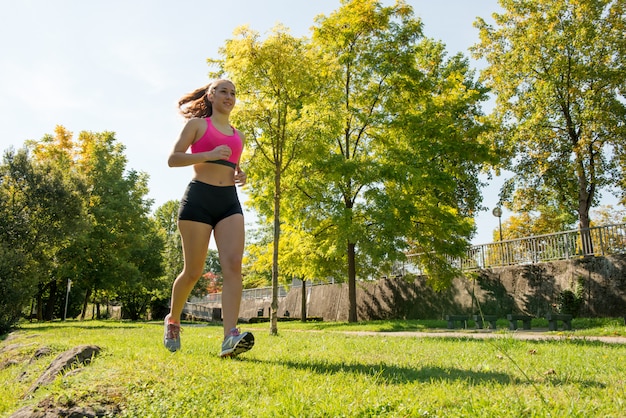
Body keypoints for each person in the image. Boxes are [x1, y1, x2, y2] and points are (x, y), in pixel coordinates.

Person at [163, 79, 254, 357]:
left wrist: (240, 174)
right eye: (223, 91)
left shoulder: (239, 136)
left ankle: (230, 336)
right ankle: (173, 320)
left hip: (228, 203)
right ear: (211, 95)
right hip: (199, 200)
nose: (229, 96)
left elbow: (232, 166)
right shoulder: (197, 126)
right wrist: (209, 154)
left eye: (233, 93)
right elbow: (174, 159)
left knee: (233, 267)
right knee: (193, 272)